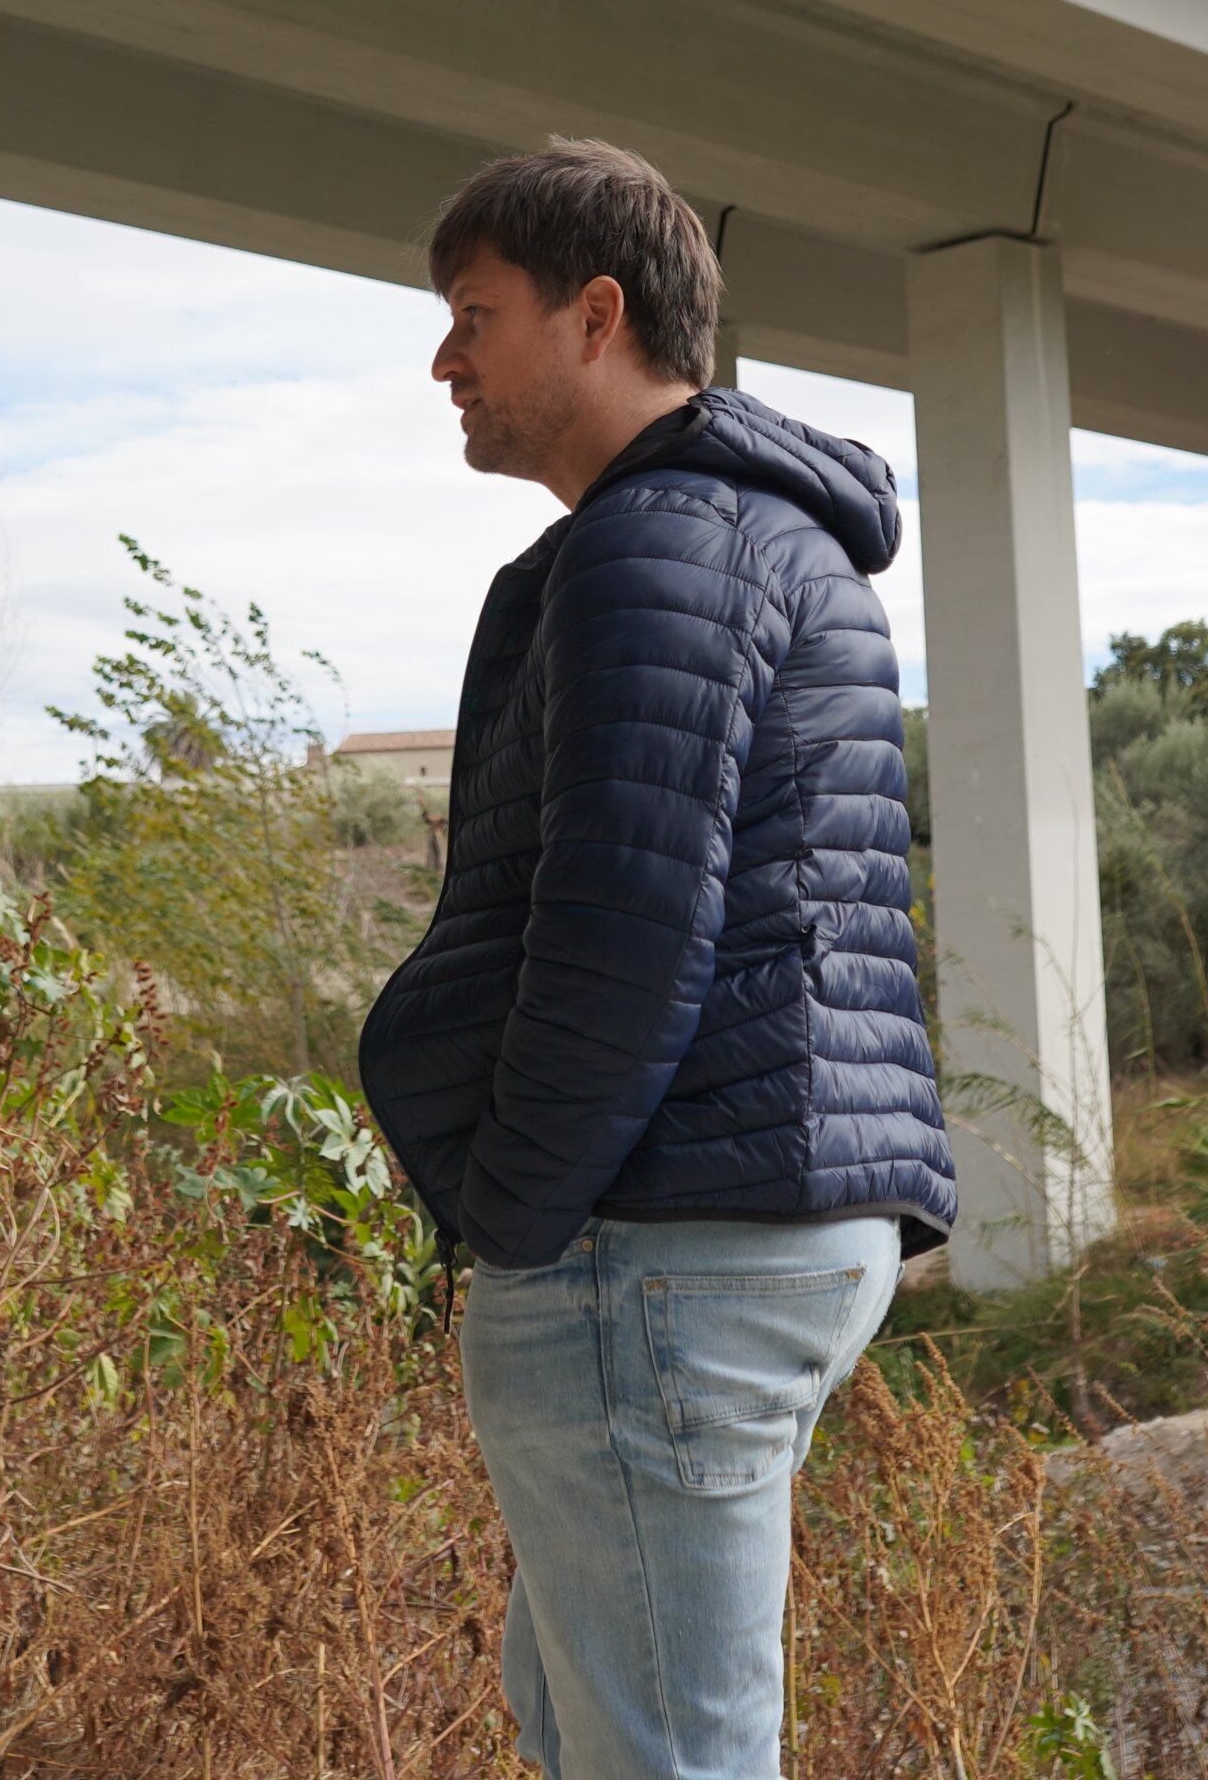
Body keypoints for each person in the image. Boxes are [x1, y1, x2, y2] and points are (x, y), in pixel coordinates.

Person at [360, 141, 958, 1780]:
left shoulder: (656, 547)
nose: (446, 359)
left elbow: (625, 930)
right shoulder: (777, 539)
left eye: (475, 315)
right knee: (610, 1736)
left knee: (663, 1762)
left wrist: (517, 1214)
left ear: (596, 315)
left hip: (660, 1235)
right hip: (756, 1206)